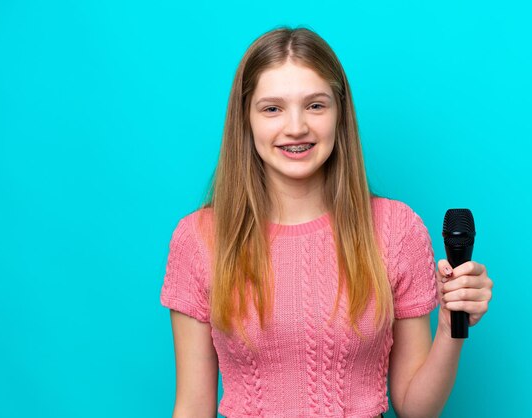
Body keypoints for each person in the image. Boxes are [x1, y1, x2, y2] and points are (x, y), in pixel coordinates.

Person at [160, 26, 493, 418]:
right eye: (272, 108)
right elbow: (193, 406)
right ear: (245, 119)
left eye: (315, 105)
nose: (296, 127)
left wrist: (452, 325)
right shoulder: (200, 239)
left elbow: (415, 408)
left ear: (340, 113)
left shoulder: (397, 230)